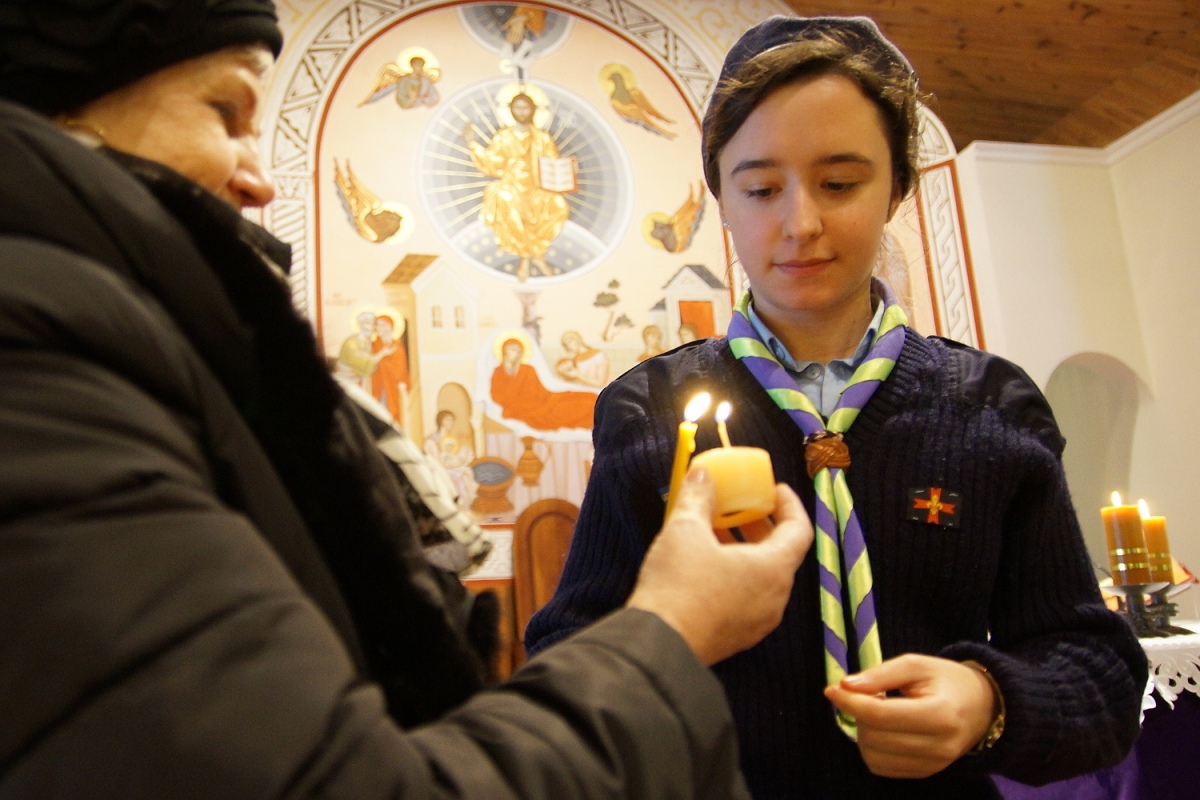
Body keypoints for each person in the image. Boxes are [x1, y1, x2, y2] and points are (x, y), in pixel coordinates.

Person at [0, 2, 816, 797]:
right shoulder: (42, 360)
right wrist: (674, 627)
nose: (257, 182)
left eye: (838, 181)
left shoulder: (141, 359)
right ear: (56, 114)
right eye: (225, 112)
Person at [526, 15, 1148, 799]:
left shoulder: (993, 407)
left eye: (841, 183)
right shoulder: (649, 410)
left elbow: (1097, 673)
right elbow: (567, 652)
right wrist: (669, 631)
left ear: (899, 188)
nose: (801, 223)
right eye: (760, 188)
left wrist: (987, 701)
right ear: (721, 196)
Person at [463, 92, 570, 281]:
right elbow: (492, 163)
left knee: (558, 205)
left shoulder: (542, 138)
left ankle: (532, 255)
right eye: (517, 108)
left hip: (538, 189)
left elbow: (553, 163)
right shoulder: (504, 137)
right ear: (511, 111)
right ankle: (528, 258)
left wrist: (568, 168)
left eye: (525, 108)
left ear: (533, 111)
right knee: (502, 198)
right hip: (511, 186)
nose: (521, 112)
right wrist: (472, 144)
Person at [490, 336, 597, 430]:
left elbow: (537, 392)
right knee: (584, 405)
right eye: (513, 350)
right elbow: (496, 397)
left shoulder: (528, 369)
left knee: (591, 397)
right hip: (532, 410)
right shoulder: (498, 372)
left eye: (519, 351)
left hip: (544, 401)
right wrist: (515, 400)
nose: (516, 354)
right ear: (504, 351)